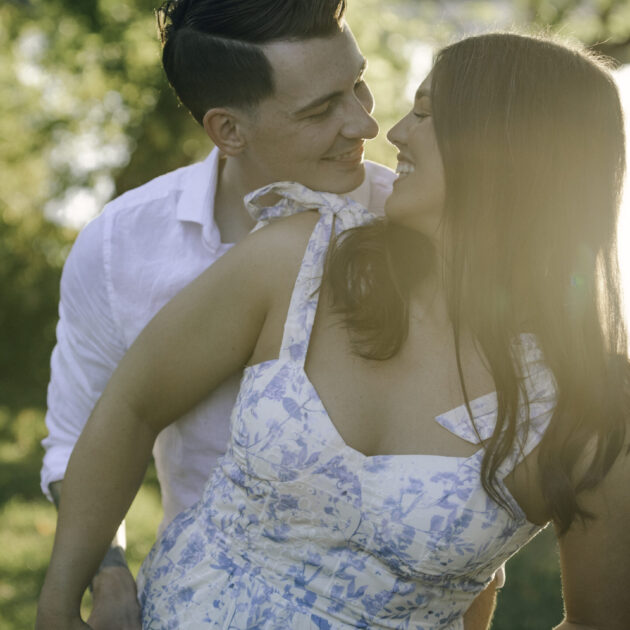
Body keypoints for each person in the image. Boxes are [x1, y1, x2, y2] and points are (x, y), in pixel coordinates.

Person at [39, 29, 629, 630]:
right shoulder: (306, 257)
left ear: (505, 153)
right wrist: (60, 602)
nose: (391, 132)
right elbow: (131, 403)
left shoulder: (588, 406)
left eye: (424, 114)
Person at [39, 0, 438, 628]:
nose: (365, 123)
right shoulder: (121, 247)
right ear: (228, 130)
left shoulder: (416, 225)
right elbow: (77, 439)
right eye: (320, 109)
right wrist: (107, 573)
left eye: (357, 83)